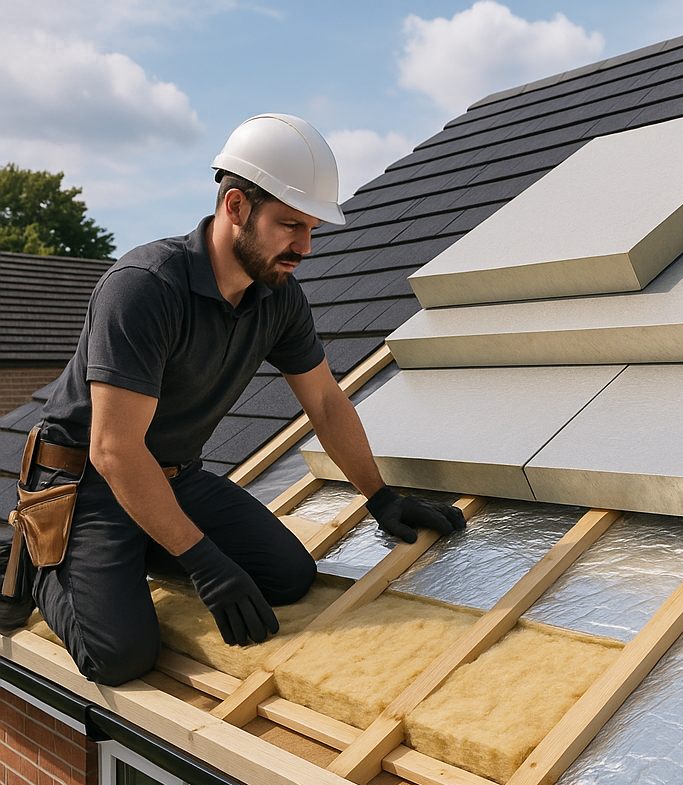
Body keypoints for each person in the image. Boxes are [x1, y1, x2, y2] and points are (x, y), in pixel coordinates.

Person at [0, 113, 464, 685]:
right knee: (120, 655)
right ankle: (35, 559)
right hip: (86, 485)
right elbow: (114, 450)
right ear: (237, 206)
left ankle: (141, 544)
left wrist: (381, 497)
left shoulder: (277, 297)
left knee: (288, 578)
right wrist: (202, 561)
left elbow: (325, 402)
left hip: (174, 476)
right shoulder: (145, 287)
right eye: (290, 225)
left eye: (312, 228)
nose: (304, 247)